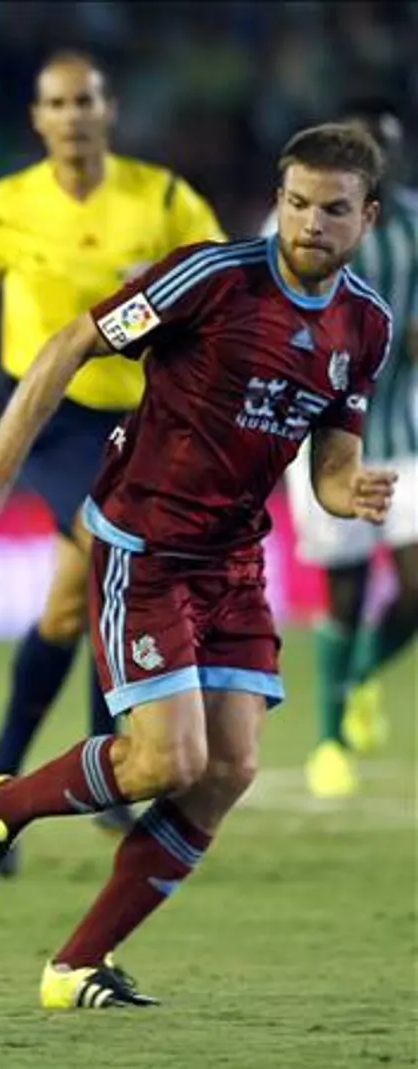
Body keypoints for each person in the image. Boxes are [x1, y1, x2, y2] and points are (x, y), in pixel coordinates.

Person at [0, 123, 395, 1010]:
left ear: (366, 217)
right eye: (297, 202)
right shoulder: (213, 278)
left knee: (229, 768)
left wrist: (352, 494)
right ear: (278, 199)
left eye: (334, 210)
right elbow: (72, 341)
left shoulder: (365, 325)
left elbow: (332, 465)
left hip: (235, 561)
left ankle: (74, 967)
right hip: (144, 545)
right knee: (165, 761)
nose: (311, 223)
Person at [0, 51, 226, 863]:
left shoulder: (163, 198)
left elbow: (226, 283)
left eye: (86, 100)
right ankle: (107, 753)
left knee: (64, 605)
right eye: (58, 103)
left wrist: (171, 289)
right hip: (54, 418)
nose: (73, 115)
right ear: (37, 118)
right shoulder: (3, 204)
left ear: (108, 109)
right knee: (106, 543)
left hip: (150, 416)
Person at [283, 99, 418, 798]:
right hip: (323, 438)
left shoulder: (413, 228)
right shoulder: (297, 227)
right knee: (347, 587)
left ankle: (362, 672)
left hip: (401, 433)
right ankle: (330, 742)